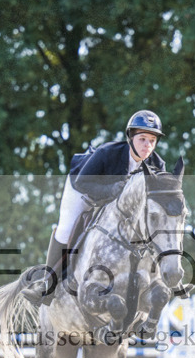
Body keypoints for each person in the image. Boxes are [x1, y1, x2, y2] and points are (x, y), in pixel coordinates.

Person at [21, 110, 167, 305]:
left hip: (117, 205)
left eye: (152, 140)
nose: (147, 146)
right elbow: (83, 183)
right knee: (65, 230)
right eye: (142, 139)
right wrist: (111, 190)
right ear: (130, 138)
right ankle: (46, 285)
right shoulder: (108, 153)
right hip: (84, 190)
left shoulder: (157, 165)